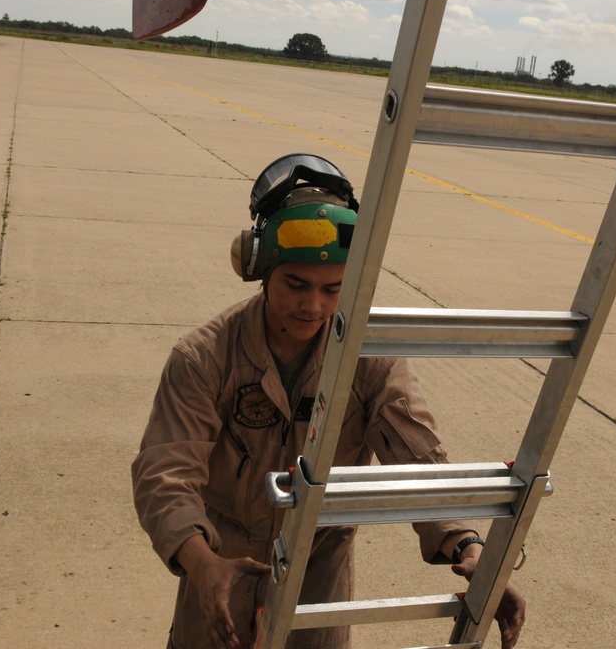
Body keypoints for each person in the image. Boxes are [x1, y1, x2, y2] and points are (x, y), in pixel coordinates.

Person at [131, 154, 525, 649]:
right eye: (295, 284)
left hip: (319, 575)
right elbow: (164, 473)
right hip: (221, 568)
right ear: (260, 269)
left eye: (332, 289)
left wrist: (468, 546)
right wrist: (202, 564)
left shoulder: (372, 361)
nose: (312, 305)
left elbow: (419, 457)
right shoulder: (204, 357)